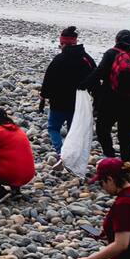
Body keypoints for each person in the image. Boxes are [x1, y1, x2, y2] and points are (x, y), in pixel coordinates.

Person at [82, 31, 130, 164]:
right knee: (126, 136)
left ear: (116, 40)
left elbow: (98, 73)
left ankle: (110, 156)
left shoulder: (111, 54)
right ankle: (126, 165)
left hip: (110, 102)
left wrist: (82, 85)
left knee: (102, 129)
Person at [39, 26, 96, 162]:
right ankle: (72, 154)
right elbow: (95, 76)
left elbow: (48, 79)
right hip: (78, 103)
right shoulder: (86, 59)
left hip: (58, 102)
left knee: (53, 128)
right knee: (73, 130)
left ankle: (61, 151)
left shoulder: (58, 60)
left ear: (63, 43)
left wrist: (43, 96)